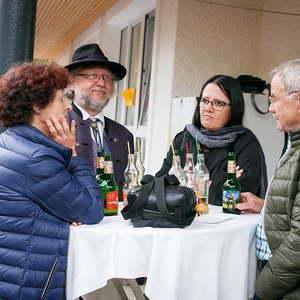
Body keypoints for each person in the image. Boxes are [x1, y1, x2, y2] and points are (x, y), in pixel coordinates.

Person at [0, 62, 104, 300]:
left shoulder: (11, 141)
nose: (68, 107)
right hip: (28, 285)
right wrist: (74, 154)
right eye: (60, 100)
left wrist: (63, 212)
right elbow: (92, 209)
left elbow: (46, 200)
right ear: (37, 106)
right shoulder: (36, 158)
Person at [238, 58, 300, 300]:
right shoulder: (293, 145)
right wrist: (265, 207)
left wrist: (263, 288)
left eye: (274, 98)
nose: (270, 108)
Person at [156, 74, 268, 205]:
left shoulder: (245, 143)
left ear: (234, 109)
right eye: (204, 100)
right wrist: (217, 184)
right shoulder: (183, 139)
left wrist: (189, 184)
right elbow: (159, 183)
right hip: (183, 220)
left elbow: (239, 196)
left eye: (218, 103)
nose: (208, 108)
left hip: (227, 224)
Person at [65, 43, 134, 200]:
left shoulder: (124, 135)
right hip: (72, 219)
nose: (102, 83)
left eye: (107, 77)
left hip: (115, 220)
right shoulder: (56, 125)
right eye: (92, 75)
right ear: (71, 83)